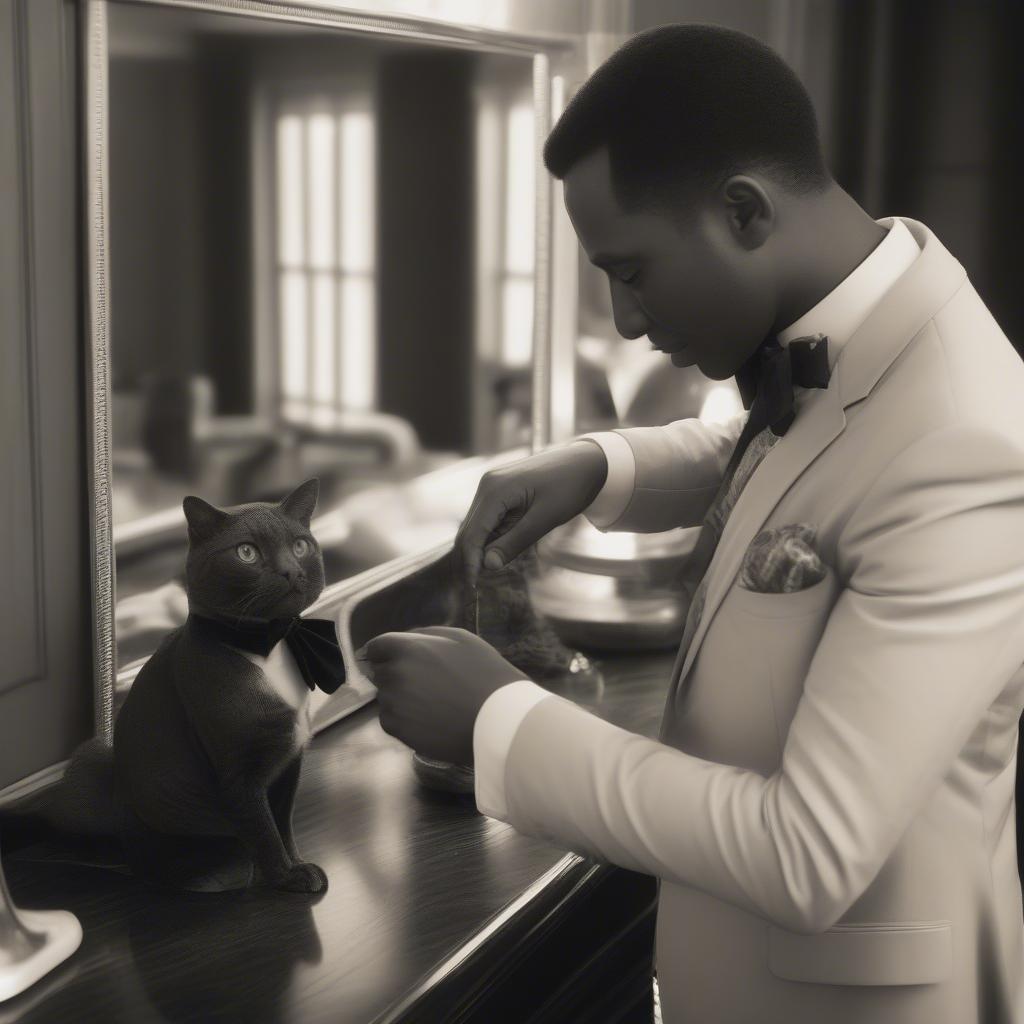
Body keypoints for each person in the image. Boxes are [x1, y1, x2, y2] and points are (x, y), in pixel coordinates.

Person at [357, 24, 1024, 1023]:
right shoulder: (851, 324)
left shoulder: (966, 438)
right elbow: (793, 452)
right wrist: (598, 463)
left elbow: (809, 853)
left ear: (744, 212)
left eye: (629, 270)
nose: (624, 319)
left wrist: (497, 718)